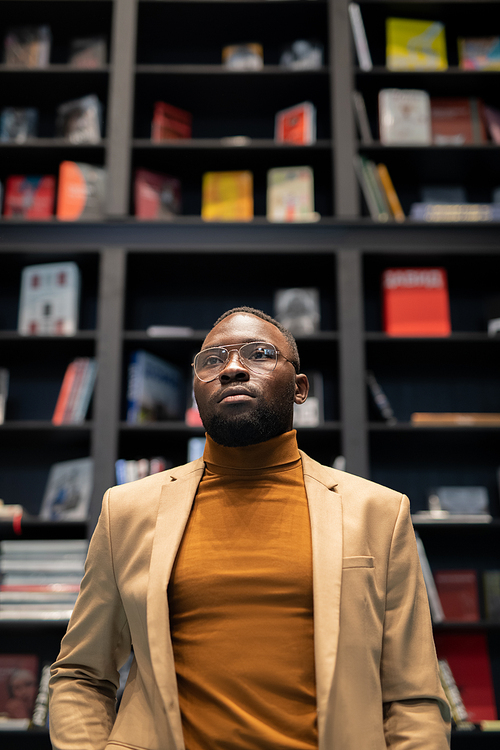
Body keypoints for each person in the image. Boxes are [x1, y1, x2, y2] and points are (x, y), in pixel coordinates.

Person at [49, 306, 451, 750]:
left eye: (259, 354)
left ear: (300, 389)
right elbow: (81, 674)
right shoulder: (126, 510)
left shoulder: (379, 512)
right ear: (196, 390)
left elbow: (412, 697)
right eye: (212, 360)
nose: (233, 369)